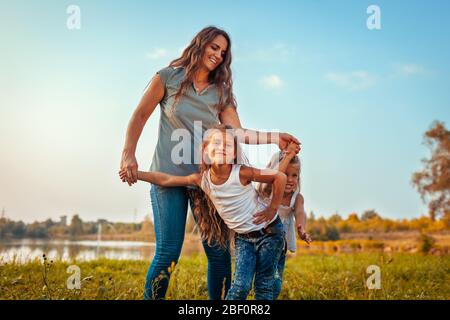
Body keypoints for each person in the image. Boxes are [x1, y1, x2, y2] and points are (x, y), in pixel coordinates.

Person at [119, 26, 300, 300]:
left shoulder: (221, 93)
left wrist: (274, 137)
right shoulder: (167, 78)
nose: (217, 55)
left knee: (218, 254)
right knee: (167, 252)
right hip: (168, 178)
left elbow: (238, 133)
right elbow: (140, 115)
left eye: (223, 52)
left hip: (209, 183)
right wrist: (128, 154)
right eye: (214, 47)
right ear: (200, 44)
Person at [120, 125, 287, 300]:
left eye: (228, 145)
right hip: (243, 239)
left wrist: (272, 209)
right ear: (205, 150)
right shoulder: (202, 179)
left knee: (264, 285)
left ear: (235, 153)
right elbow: (166, 179)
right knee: (240, 287)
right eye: (216, 143)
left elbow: (279, 177)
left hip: (270, 233)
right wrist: (137, 174)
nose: (222, 147)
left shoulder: (242, 173)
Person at [258, 142, 312, 299]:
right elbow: (274, 178)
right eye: (285, 174)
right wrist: (285, 159)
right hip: (261, 241)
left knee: (276, 282)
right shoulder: (267, 191)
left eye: (294, 175)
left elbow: (300, 213)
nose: (290, 180)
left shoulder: (296, 198)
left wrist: (301, 228)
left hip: (280, 246)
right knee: (264, 278)